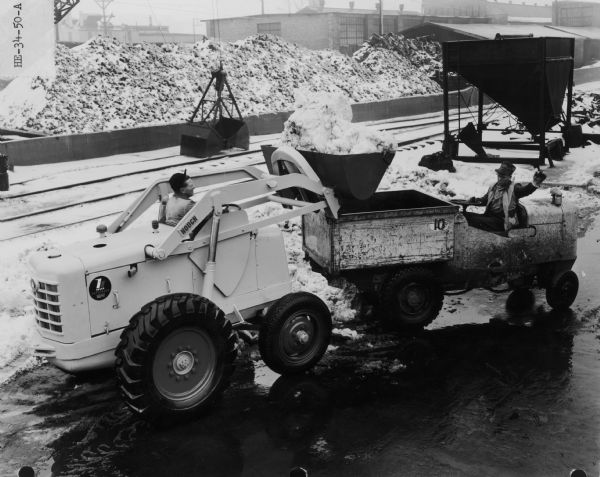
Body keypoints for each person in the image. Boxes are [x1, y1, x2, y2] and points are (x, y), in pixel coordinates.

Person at [464, 161, 546, 232]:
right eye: (499, 175)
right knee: (466, 216)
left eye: (503, 176)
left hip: (502, 221)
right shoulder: (493, 187)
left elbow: (525, 190)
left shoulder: (514, 188)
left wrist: (535, 183)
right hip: (490, 217)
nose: (500, 178)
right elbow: (484, 200)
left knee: (472, 220)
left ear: (509, 177)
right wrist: (473, 200)